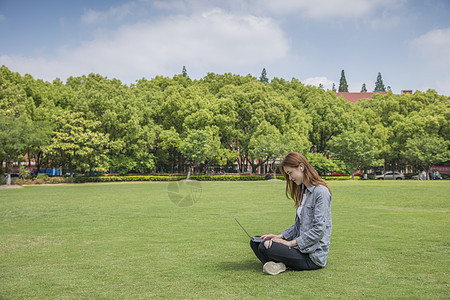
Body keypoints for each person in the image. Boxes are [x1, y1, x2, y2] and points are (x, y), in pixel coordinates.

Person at [250, 152, 332, 275]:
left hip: (312, 256)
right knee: (256, 242)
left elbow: (319, 230)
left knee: (264, 247)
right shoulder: (303, 192)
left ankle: (282, 264)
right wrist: (280, 236)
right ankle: (282, 265)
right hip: (299, 249)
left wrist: (290, 243)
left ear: (301, 167)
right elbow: (298, 226)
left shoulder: (321, 192)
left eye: (290, 173)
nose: (289, 178)